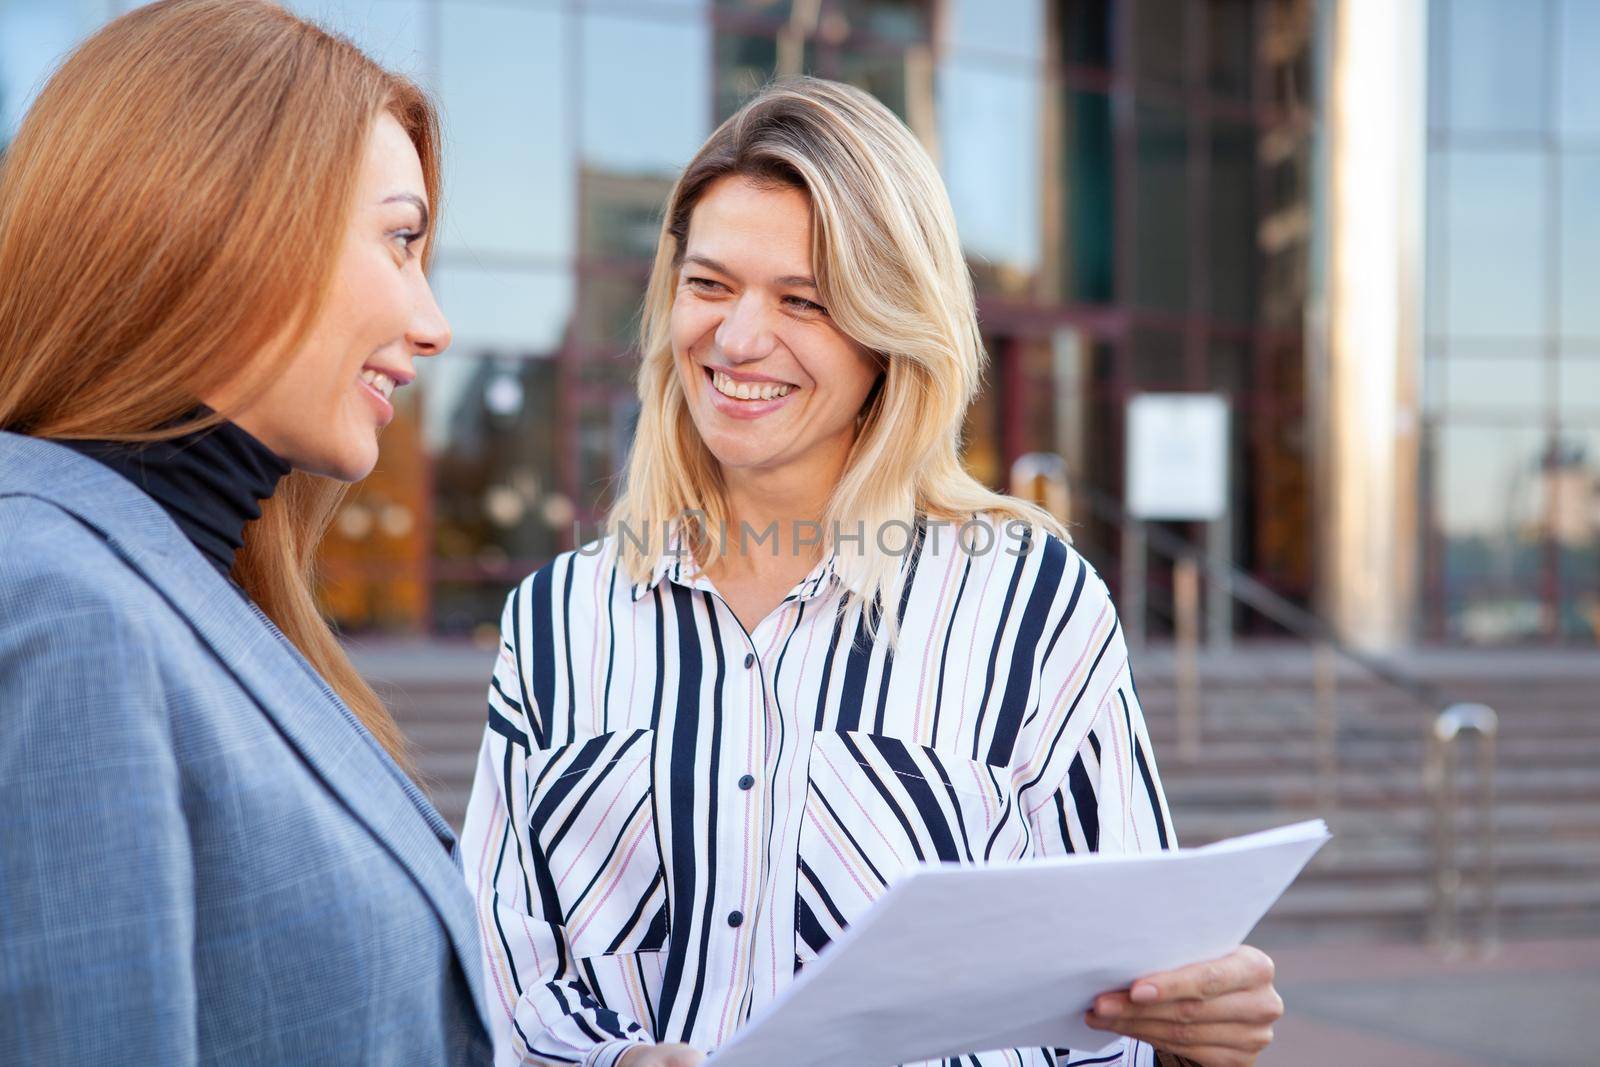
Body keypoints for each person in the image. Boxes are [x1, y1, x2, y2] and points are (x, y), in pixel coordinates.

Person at [462, 78, 1282, 1067]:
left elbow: (1123, 998)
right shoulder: (558, 620)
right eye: (710, 285)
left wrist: (1189, 1030)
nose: (735, 337)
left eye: (801, 301)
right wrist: (616, 1061)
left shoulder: (1031, 607)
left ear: (889, 333)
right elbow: (494, 972)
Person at [0, 2, 490, 1062]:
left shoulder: (190, 588)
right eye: (401, 240)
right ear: (227, 223)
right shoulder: (61, 607)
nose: (433, 321)